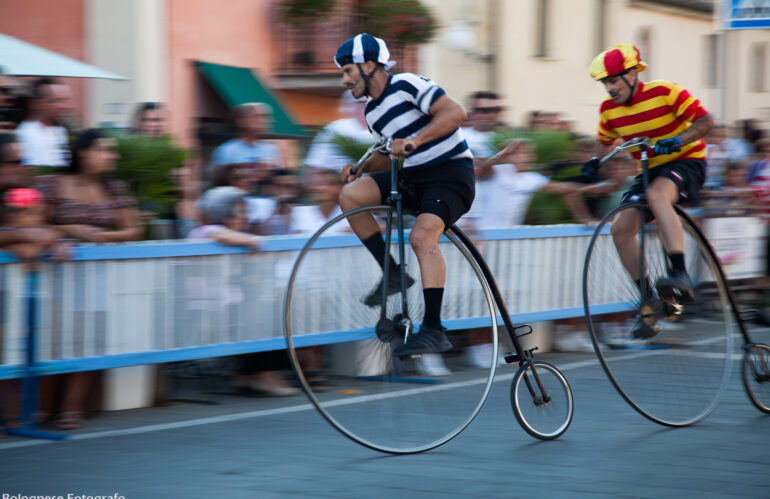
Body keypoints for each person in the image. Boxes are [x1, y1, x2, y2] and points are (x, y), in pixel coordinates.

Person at [336, 33, 475, 357]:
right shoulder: (372, 111)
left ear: (369, 66)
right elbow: (388, 154)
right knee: (350, 196)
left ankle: (434, 329)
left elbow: (454, 113)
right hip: (412, 176)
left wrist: (414, 140)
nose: (344, 80)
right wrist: (362, 167)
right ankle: (393, 272)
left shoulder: (408, 84)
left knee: (421, 237)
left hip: (450, 175)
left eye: (348, 71)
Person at [582, 43, 715, 339]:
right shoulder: (609, 110)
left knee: (657, 195)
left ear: (632, 75)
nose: (609, 88)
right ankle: (649, 300)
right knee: (620, 228)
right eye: (605, 82)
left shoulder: (665, 91)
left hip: (687, 161)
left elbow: (707, 121)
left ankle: (679, 274)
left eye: (613, 80)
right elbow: (604, 140)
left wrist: (680, 139)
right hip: (648, 170)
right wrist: (594, 160)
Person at [35, 129, 143, 429]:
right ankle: (43, 407)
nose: (113, 156)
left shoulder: (114, 187)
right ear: (84, 152)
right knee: (51, 339)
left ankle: (72, 408)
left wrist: (101, 237)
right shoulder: (53, 183)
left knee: (85, 340)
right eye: (106, 150)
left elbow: (134, 230)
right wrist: (70, 230)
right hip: (54, 274)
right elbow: (35, 222)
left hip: (96, 277)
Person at [187, 187, 299, 396]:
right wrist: (253, 241)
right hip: (209, 309)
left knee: (269, 308)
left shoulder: (235, 239)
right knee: (268, 316)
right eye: (240, 211)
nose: (245, 216)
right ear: (223, 212)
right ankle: (266, 375)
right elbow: (219, 234)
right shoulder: (203, 232)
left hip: (229, 305)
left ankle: (248, 375)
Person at [304, 90, 371, 172]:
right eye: (363, 103)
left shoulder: (384, 130)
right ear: (354, 106)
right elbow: (315, 165)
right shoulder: (336, 129)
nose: (369, 107)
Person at [15, 77, 74, 168]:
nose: (62, 107)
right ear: (36, 104)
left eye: (64, 101)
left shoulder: (62, 131)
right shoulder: (24, 134)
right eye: (55, 101)